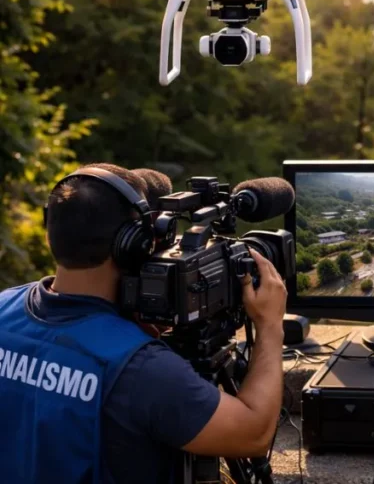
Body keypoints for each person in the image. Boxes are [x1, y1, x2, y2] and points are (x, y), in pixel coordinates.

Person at [0, 164, 287, 484]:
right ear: (133, 243)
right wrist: (270, 324)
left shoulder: (4, 308)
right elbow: (254, 434)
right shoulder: (139, 368)